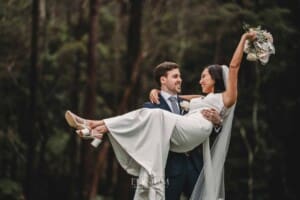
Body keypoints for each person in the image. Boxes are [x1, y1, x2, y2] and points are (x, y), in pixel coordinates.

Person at [65, 31, 256, 200]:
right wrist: (156, 91)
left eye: (204, 76)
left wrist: (244, 38)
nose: (199, 80)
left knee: (154, 115)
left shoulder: (227, 98)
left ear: (215, 78)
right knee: (152, 113)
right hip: (176, 154)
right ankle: (97, 129)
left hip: (193, 145)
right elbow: (178, 97)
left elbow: (233, 67)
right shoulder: (202, 98)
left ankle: (95, 125)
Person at [143, 61, 222, 200]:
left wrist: (217, 123)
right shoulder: (151, 107)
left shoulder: (192, 105)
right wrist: (156, 92)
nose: (180, 79)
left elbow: (204, 123)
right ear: (163, 80)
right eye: (175, 76)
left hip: (195, 166)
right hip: (169, 169)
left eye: (179, 76)